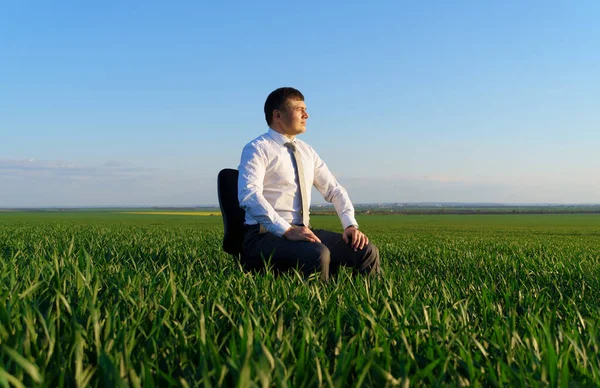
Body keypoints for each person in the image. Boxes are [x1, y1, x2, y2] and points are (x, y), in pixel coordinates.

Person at [237, 87, 380, 281]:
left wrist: (350, 226)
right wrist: (286, 230)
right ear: (277, 115)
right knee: (317, 252)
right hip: (262, 235)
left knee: (365, 250)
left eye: (305, 109)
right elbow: (249, 195)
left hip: (303, 230)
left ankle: (369, 307)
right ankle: (318, 308)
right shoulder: (257, 149)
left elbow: (334, 190)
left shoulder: (307, 151)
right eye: (299, 109)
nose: (307, 115)